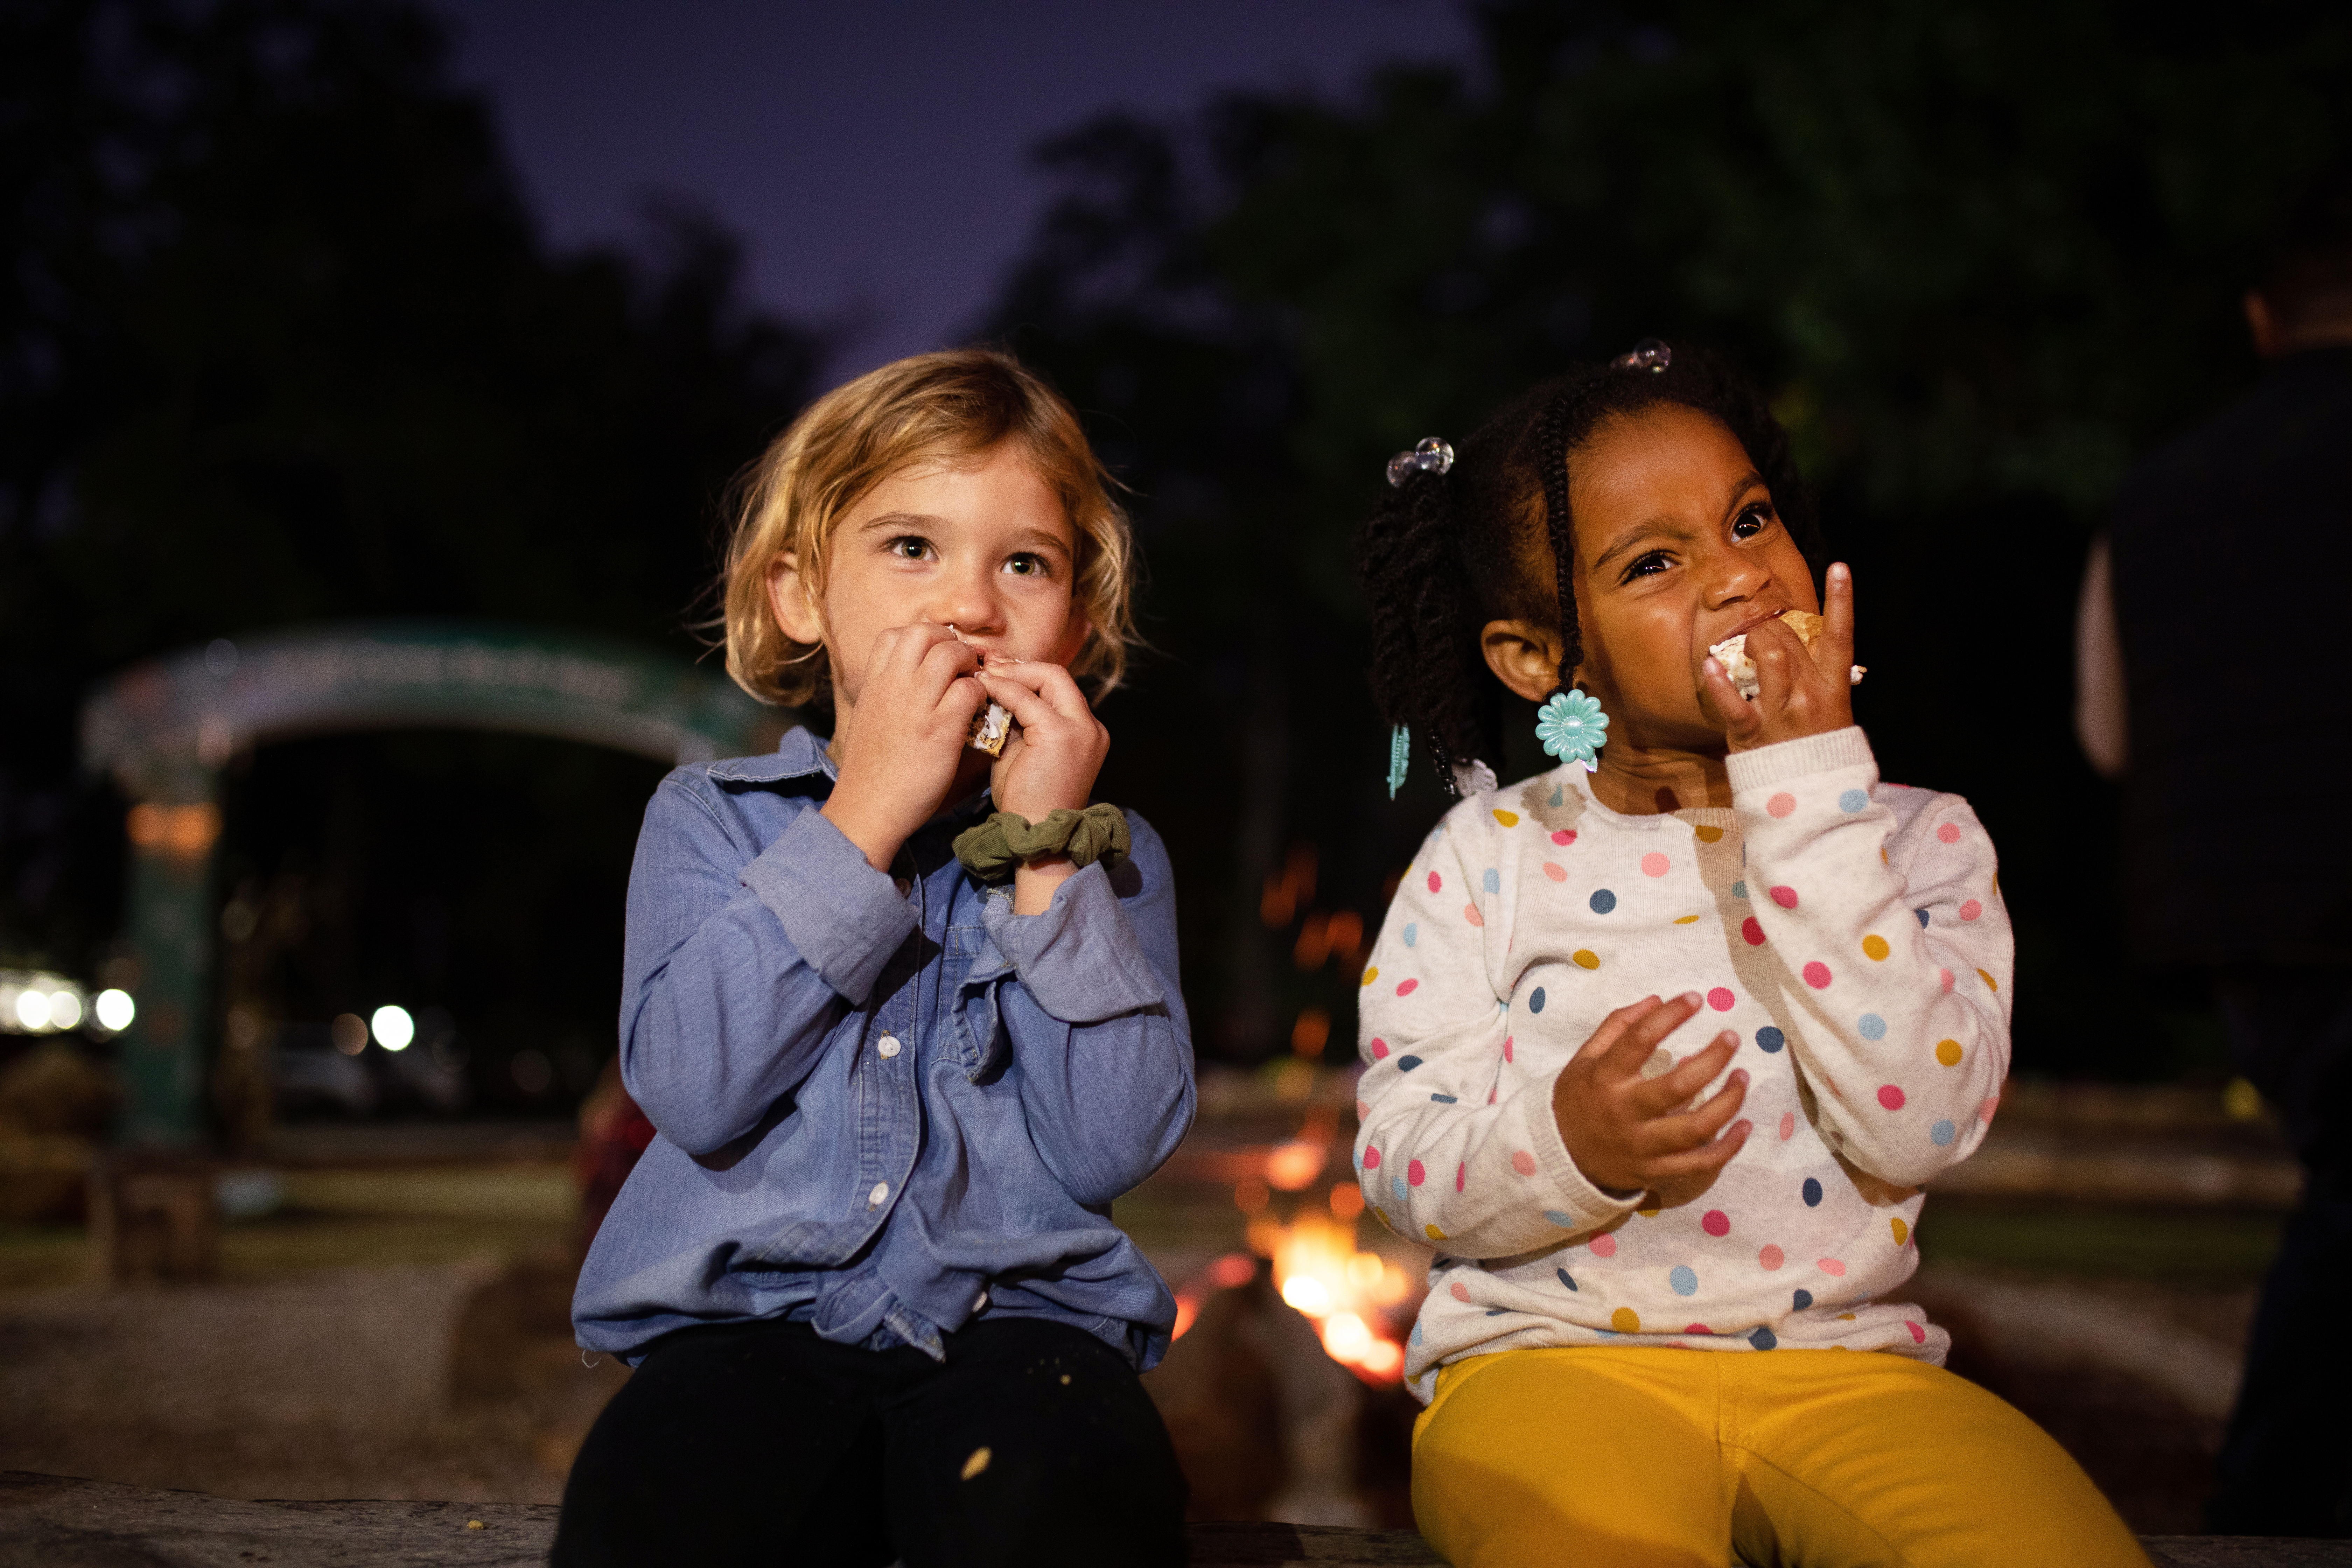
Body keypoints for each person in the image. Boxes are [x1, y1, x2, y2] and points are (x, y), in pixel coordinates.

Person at [1352, 343, 2148, 1568]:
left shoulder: (1918, 838)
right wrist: (1567, 1145)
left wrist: (1807, 788)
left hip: (1852, 1378)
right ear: (1541, 658)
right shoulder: (1487, 857)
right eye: (1656, 562)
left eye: (1750, 520)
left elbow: (1917, 1125)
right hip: (1549, 1376)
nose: (1737, 579)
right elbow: (1403, 1163)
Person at [553, 350, 1193, 1568]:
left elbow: (1117, 1142)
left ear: (1079, 620)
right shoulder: (708, 819)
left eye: (1024, 563)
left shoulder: (1115, 857)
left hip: (1026, 1328)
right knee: (663, 1514)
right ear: (802, 595)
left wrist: (1044, 855)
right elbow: (690, 1084)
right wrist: (867, 819)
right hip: (742, 1325)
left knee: (1067, 1505)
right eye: (912, 548)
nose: (970, 604)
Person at [2078, 178, 2352, 1538]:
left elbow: (2108, 730)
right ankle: (2263, 1512)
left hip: (2247, 917)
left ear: (2262, 317)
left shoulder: (2156, 493)